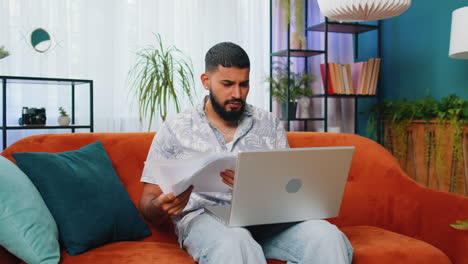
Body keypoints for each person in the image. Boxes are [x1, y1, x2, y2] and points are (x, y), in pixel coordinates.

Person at [139, 42, 353, 264]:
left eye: (244, 84)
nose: (237, 94)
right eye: (227, 84)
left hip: (268, 221)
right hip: (206, 219)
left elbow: (288, 188)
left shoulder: (269, 123)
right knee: (235, 241)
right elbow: (147, 201)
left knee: (327, 237)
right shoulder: (175, 128)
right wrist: (160, 206)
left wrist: (257, 187)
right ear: (206, 81)